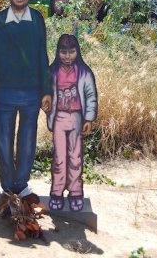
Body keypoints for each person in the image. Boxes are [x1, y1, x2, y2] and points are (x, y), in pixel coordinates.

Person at [0, 0, 52, 206]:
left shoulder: (37, 20)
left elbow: (43, 56)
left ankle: (22, 185)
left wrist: (46, 91)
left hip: (31, 94)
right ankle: (8, 188)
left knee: (28, 140)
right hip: (4, 95)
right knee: (3, 140)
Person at [47, 34, 97, 212]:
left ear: (78, 51)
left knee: (75, 157)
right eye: (63, 52)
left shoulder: (84, 72)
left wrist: (89, 118)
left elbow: (91, 96)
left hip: (76, 117)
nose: (67, 56)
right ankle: (56, 193)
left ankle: (75, 192)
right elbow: (45, 93)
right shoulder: (51, 72)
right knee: (59, 159)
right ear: (58, 52)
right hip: (59, 117)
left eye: (71, 52)